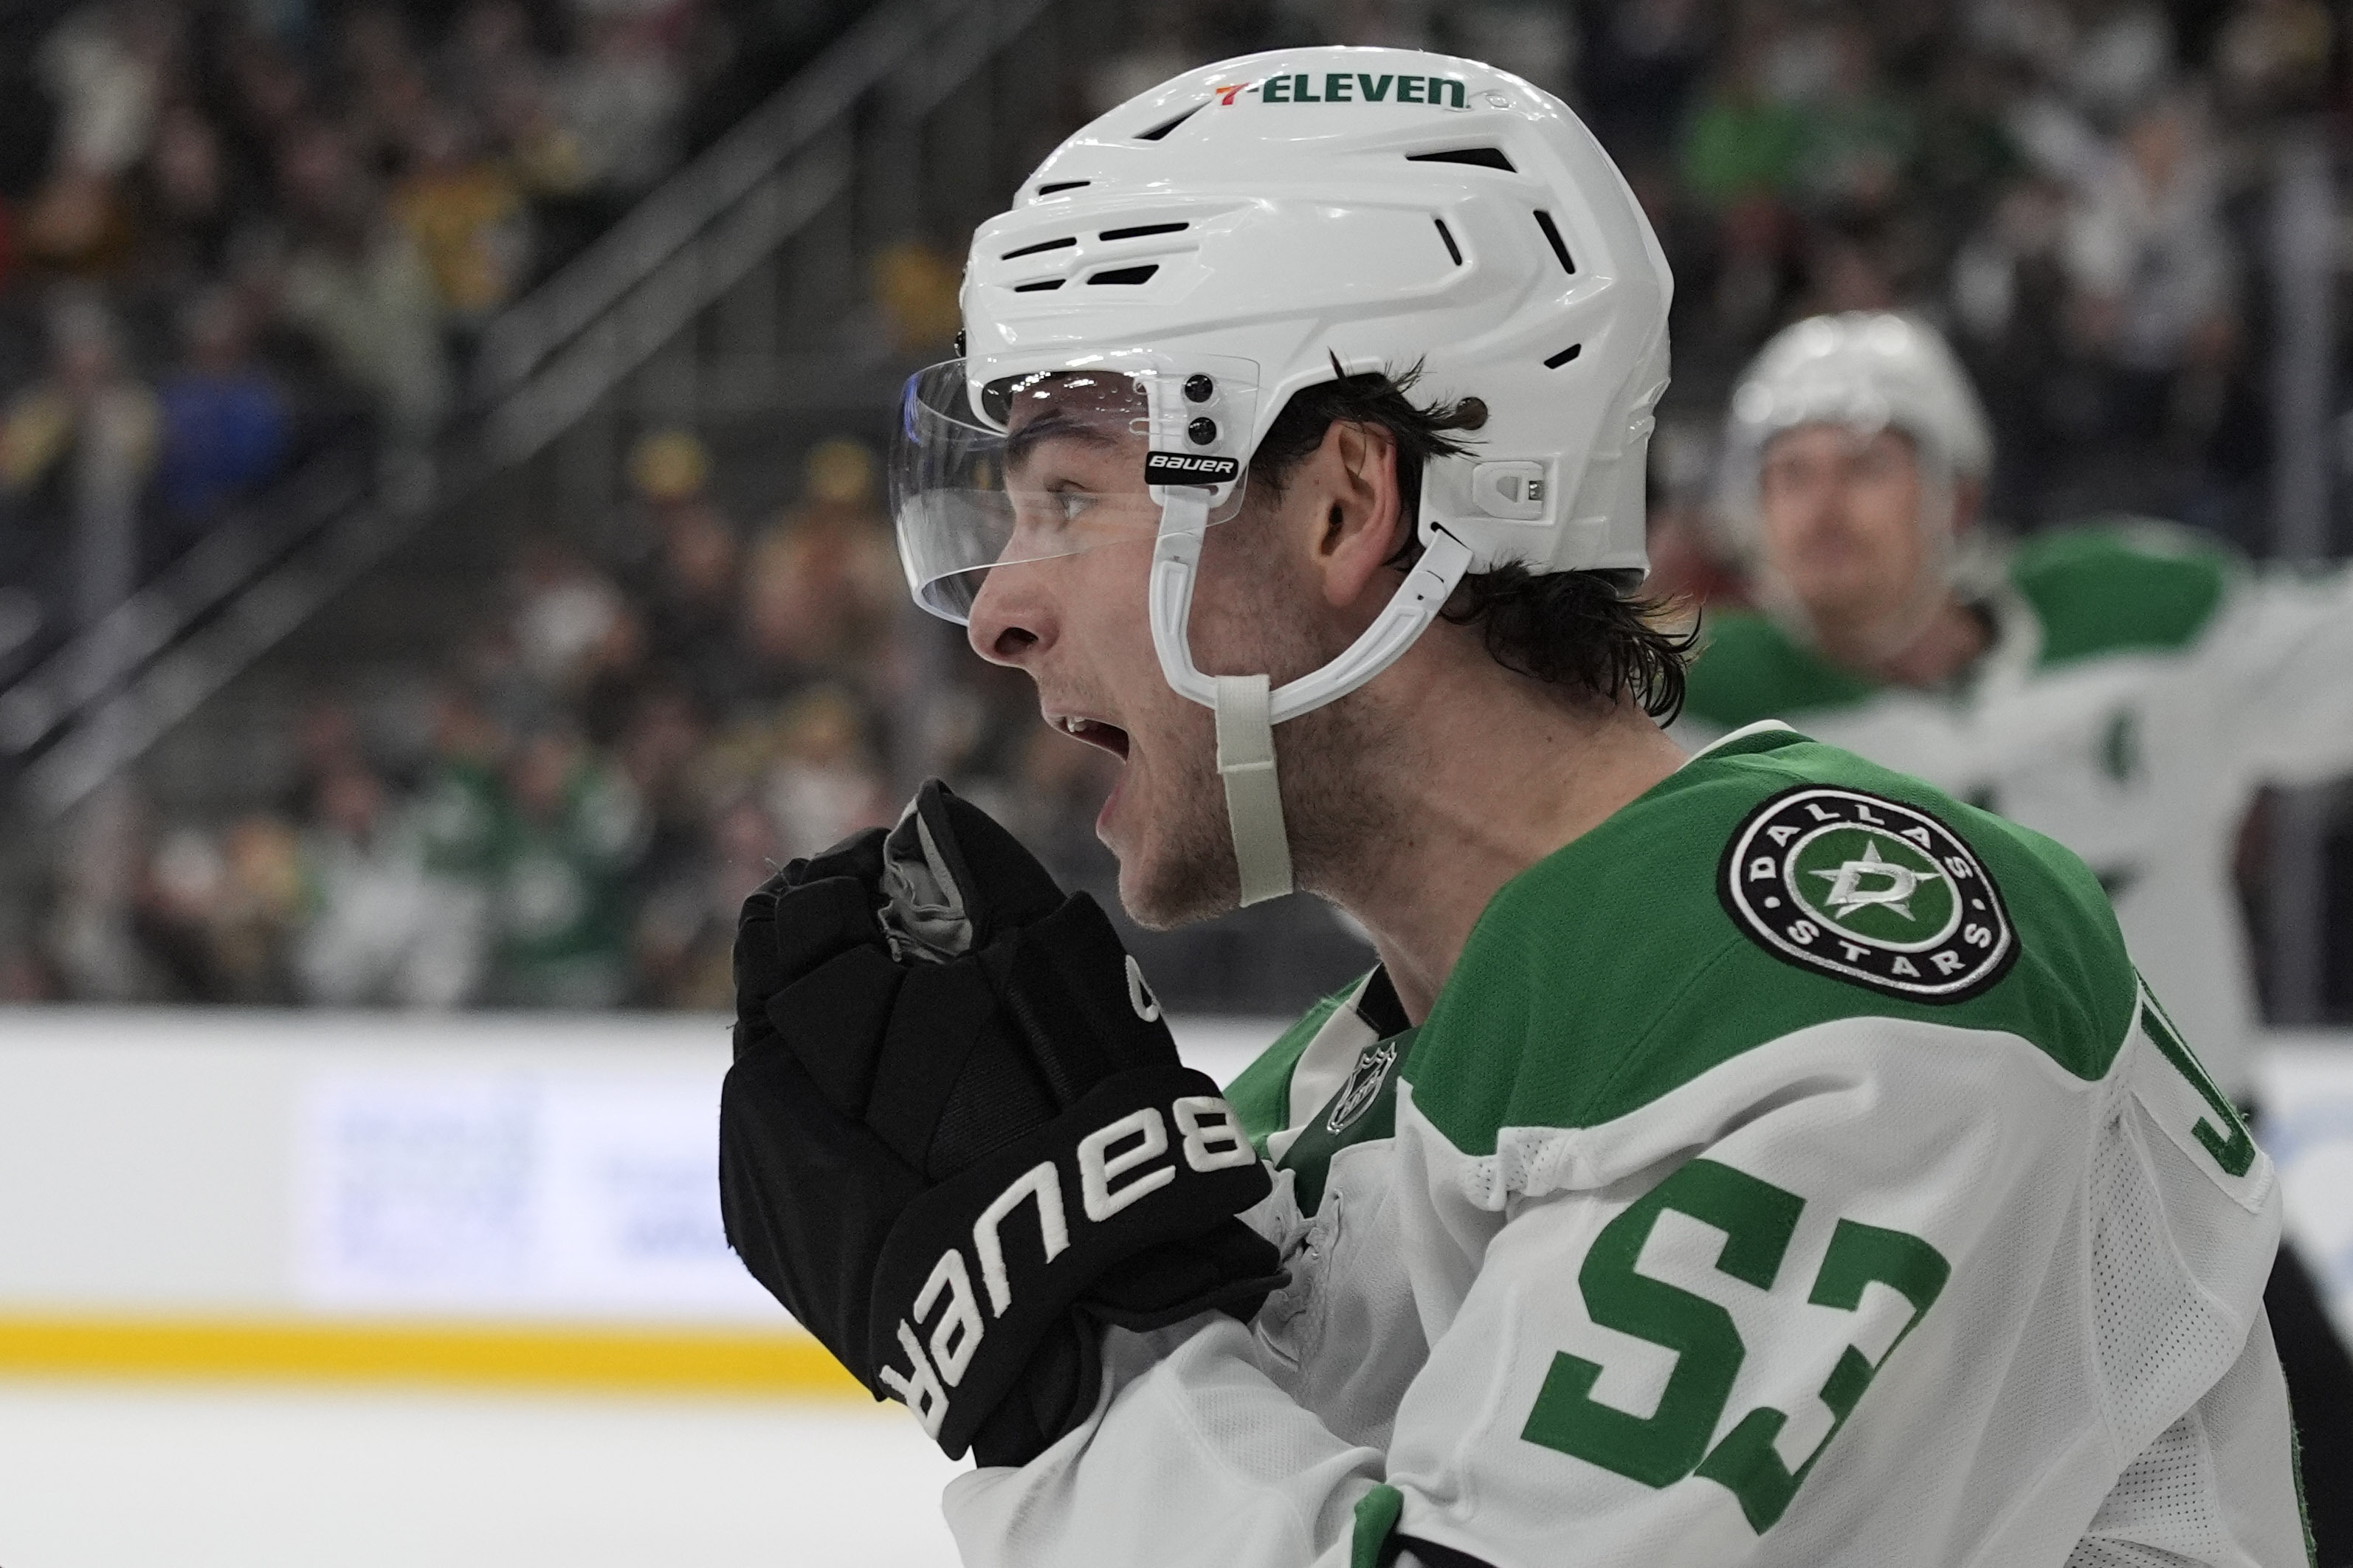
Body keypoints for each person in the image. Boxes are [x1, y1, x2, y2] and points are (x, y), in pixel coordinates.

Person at [717, 49, 2304, 1567]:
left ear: (1347, 503)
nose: (996, 610)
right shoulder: (1320, 1113)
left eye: (1067, 495)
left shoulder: (1847, 981)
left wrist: (1082, 1367)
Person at [1680, 306, 2353, 1561]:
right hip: (1891, 1243)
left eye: (1866, 463)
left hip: (2190, 1214)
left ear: (1959, 491)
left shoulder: (2140, 614)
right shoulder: (1696, 715)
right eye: (1789, 472)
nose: (1823, 505)